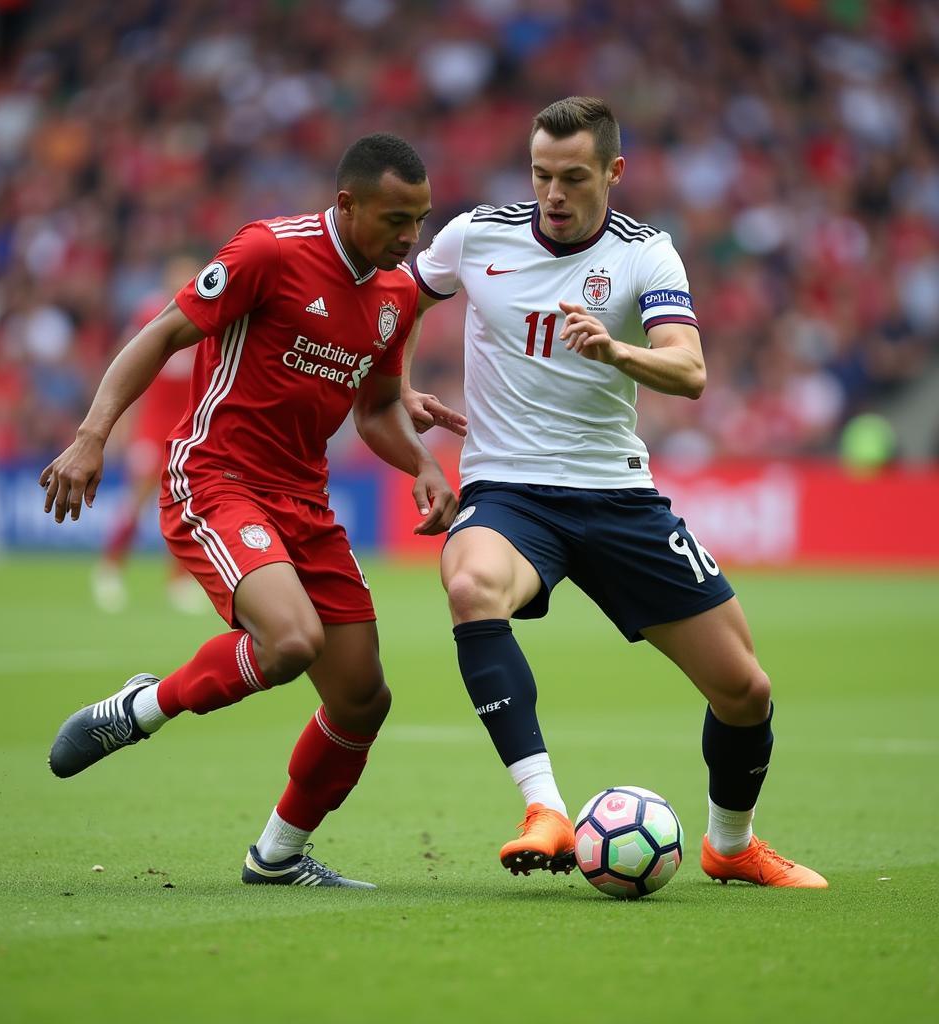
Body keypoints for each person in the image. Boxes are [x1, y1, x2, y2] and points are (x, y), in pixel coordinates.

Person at [403, 97, 827, 888]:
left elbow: (690, 370)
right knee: (469, 583)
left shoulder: (646, 254)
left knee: (745, 689)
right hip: (510, 492)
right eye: (540, 175)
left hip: (618, 497)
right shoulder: (475, 235)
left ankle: (730, 846)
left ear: (613, 172)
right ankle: (543, 807)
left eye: (572, 177)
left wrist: (614, 349)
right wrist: (395, 403)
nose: (553, 194)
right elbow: (390, 311)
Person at [41, 133, 458, 889]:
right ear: (347, 204)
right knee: (290, 641)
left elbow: (379, 407)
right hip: (218, 477)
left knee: (363, 697)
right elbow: (162, 334)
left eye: (420, 221)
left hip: (305, 499)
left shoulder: (397, 296)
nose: (410, 237)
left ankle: (278, 856)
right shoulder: (269, 251)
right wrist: (91, 436)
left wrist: (424, 464)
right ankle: (145, 707)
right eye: (397, 219)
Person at [91, 255, 206, 615]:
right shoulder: (150, 314)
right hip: (152, 425)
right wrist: (122, 423)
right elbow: (125, 361)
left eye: (189, 273)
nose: (182, 278)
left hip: (189, 425)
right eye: (177, 272)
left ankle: (180, 581)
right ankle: (109, 569)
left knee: (193, 503)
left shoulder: (210, 314)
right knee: (138, 496)